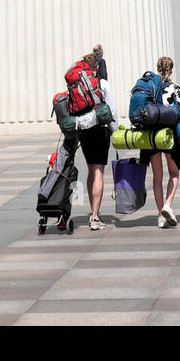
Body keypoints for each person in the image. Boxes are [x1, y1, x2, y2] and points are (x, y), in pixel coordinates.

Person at [140, 55, 180, 226]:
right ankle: (168, 205)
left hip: (152, 136)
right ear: (171, 69)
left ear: (158, 68)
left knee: (157, 176)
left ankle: (161, 215)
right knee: (174, 173)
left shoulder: (151, 87)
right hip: (169, 136)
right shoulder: (175, 88)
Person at [73, 51, 110, 231]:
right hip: (100, 131)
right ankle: (95, 216)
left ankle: (91, 209)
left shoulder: (77, 85)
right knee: (98, 173)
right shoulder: (102, 84)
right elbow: (113, 111)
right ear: (96, 67)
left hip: (84, 131)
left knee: (90, 171)